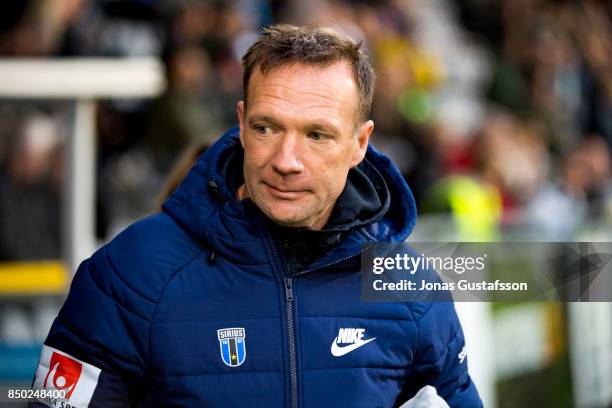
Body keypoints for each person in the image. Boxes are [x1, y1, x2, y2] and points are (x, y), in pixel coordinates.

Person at [31, 24, 482, 407]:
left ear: (359, 144)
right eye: (267, 128)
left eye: (317, 135)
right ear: (242, 124)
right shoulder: (130, 272)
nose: (287, 160)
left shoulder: (409, 288)